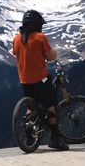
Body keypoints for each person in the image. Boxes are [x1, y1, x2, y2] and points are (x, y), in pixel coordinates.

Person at [11, 9, 69, 151]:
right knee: (51, 105)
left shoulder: (16, 38)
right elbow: (50, 57)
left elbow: (14, 52)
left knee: (31, 107)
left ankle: (29, 136)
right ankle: (55, 137)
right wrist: (53, 53)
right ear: (37, 24)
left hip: (24, 80)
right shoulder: (40, 37)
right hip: (41, 80)